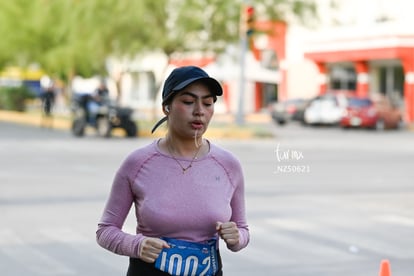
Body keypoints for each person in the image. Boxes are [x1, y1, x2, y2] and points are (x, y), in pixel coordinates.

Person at [96, 65, 249, 275]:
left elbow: (242, 230)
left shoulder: (228, 165)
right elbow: (106, 230)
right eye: (188, 102)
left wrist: (237, 238)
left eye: (208, 103)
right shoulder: (138, 163)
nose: (199, 111)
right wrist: (137, 245)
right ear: (166, 107)